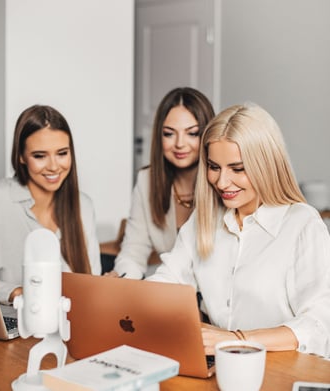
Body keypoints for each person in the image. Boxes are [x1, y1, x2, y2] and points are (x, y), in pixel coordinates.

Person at [148, 103, 330, 357]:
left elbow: (319, 326)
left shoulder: (302, 224)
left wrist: (238, 340)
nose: (222, 182)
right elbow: (166, 282)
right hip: (220, 363)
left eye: (237, 169)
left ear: (265, 164)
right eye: (214, 167)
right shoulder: (205, 219)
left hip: (281, 368)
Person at [0, 105, 101, 304]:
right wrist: (14, 292)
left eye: (62, 153)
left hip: (70, 326)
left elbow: (90, 282)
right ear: (21, 156)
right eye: (40, 156)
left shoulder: (83, 205)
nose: (53, 166)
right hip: (10, 323)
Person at [109, 87, 215, 279]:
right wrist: (121, 277)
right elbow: (133, 252)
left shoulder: (221, 181)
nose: (180, 144)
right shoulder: (147, 181)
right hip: (168, 291)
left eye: (192, 133)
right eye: (169, 134)